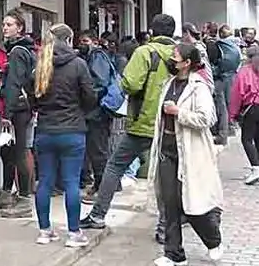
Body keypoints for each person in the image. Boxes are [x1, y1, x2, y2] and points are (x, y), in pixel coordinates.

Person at [81, 14, 176, 231]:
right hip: (170, 124)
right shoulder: (181, 53)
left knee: (114, 166)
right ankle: (165, 226)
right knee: (166, 176)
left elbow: (130, 84)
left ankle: (98, 215)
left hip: (142, 121)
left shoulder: (144, 52)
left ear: (152, 31)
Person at [148, 44, 224, 266]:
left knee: (191, 202)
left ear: (187, 62)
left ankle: (213, 239)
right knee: (169, 202)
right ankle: (173, 253)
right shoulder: (169, 84)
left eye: (175, 57)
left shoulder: (198, 87)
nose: (171, 60)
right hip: (167, 149)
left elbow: (207, 118)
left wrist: (178, 113)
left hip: (190, 151)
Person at [31, 24, 96, 247]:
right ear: (69, 40)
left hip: (45, 131)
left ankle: (44, 231)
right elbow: (90, 96)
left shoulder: (40, 65)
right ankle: (74, 233)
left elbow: (33, 99)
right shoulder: (78, 65)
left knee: (45, 182)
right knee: (71, 182)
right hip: (72, 131)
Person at [0, 9, 37, 219]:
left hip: (18, 109)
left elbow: (15, 84)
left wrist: (7, 113)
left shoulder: (18, 51)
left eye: (9, 24)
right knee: (8, 152)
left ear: (19, 27)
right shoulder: (18, 50)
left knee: (19, 152)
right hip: (18, 107)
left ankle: (25, 199)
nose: (5, 28)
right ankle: (7, 192)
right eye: (3, 24)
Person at [228, 46, 259, 186]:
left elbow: (237, 93)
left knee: (247, 139)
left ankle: (256, 168)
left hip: (251, 107)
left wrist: (233, 113)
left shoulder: (244, 72)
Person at [77, 29, 115, 202]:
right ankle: (101, 184)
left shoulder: (97, 57)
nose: (81, 45)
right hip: (94, 111)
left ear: (94, 41)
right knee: (96, 150)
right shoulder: (91, 57)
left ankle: (102, 188)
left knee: (98, 150)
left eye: (85, 41)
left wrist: (87, 97)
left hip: (97, 112)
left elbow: (100, 83)